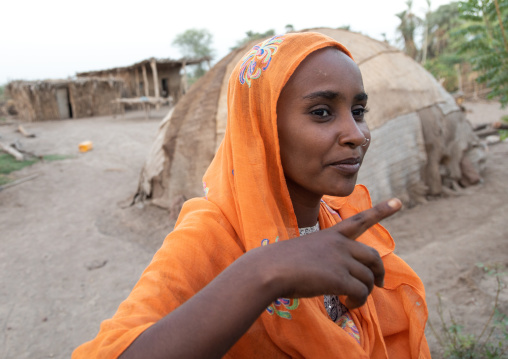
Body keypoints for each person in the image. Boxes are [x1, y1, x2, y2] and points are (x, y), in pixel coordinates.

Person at [73, 32, 430, 358]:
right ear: (262, 127)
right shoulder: (210, 236)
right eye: (322, 112)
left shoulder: (338, 223)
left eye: (358, 112)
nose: (356, 134)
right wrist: (263, 271)